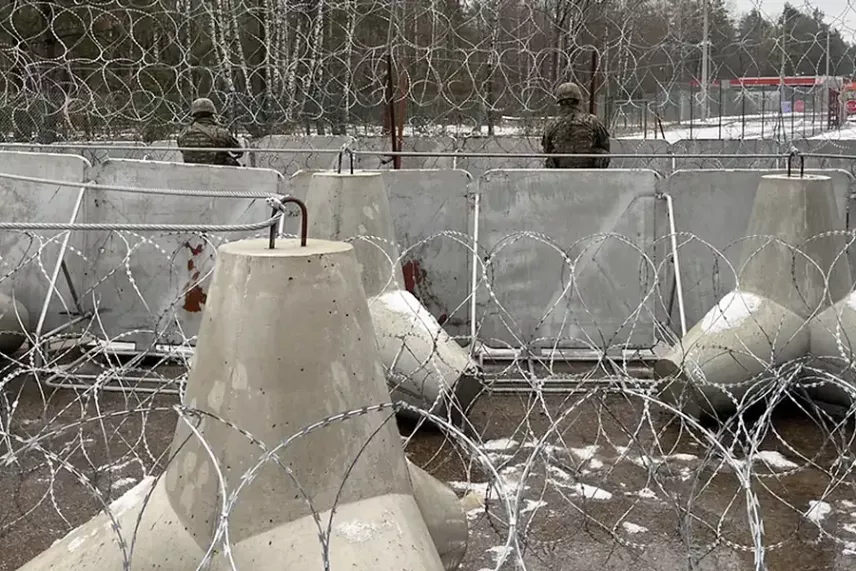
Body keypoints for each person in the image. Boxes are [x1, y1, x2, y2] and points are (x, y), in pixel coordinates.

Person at [541, 82, 611, 169]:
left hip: (560, 174)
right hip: (590, 175)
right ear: (578, 101)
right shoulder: (592, 121)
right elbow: (605, 145)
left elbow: (547, 150)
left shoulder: (552, 125)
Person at [177, 98, 244, 166]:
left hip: (191, 173)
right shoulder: (221, 133)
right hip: (217, 174)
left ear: (194, 115)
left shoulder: (183, 133)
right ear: (212, 114)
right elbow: (238, 151)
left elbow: (182, 150)